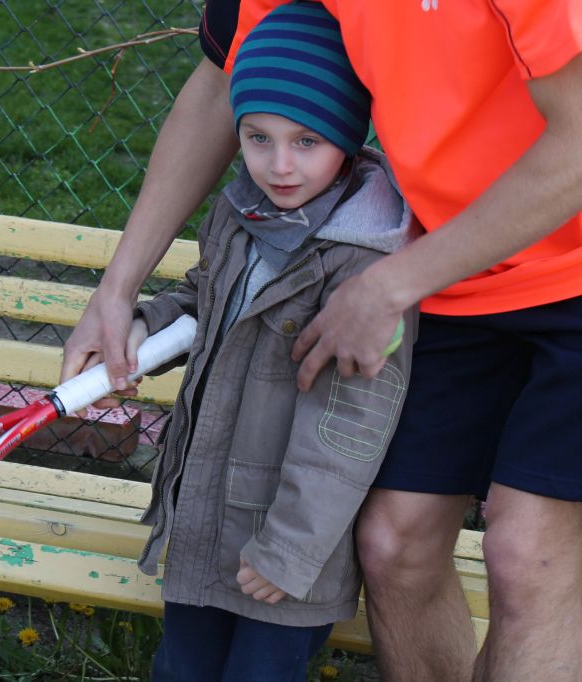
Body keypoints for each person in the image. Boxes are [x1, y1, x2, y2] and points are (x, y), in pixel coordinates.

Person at [62, 2, 582, 681]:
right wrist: (117, 291)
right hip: (456, 264)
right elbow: (224, 84)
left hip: (547, 262)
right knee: (393, 544)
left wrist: (390, 285)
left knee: (525, 556)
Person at [120, 4, 417, 679]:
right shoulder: (238, 212)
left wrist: (289, 548)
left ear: (346, 135)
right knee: (181, 670)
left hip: (288, 551)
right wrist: (146, 327)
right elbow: (208, 298)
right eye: (257, 138)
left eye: (306, 141)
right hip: (204, 519)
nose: (279, 165)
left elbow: (352, 423)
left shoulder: (364, 262)